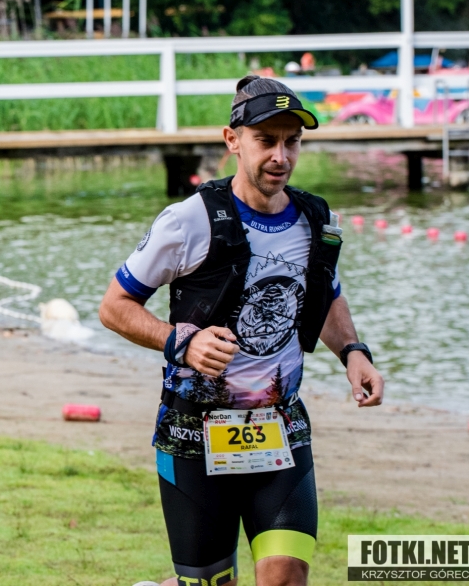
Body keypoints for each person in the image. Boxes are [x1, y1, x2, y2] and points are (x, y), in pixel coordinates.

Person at [100, 75, 385, 586]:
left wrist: (353, 351)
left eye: (292, 142)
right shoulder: (187, 221)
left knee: (286, 576)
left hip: (281, 428)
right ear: (232, 140)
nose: (280, 156)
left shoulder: (316, 219)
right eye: (266, 140)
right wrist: (181, 341)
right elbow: (115, 306)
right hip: (193, 433)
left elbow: (325, 293)